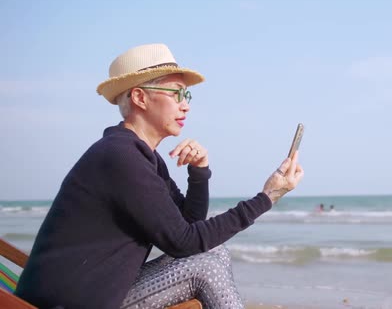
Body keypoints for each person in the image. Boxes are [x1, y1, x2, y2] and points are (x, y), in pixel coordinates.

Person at [15, 43, 304, 309]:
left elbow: (188, 226)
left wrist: (199, 174)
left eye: (186, 95)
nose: (186, 104)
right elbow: (185, 242)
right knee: (208, 263)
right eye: (177, 93)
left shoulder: (140, 156)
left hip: (100, 292)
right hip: (73, 301)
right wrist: (267, 198)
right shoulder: (120, 157)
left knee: (214, 254)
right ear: (140, 97)